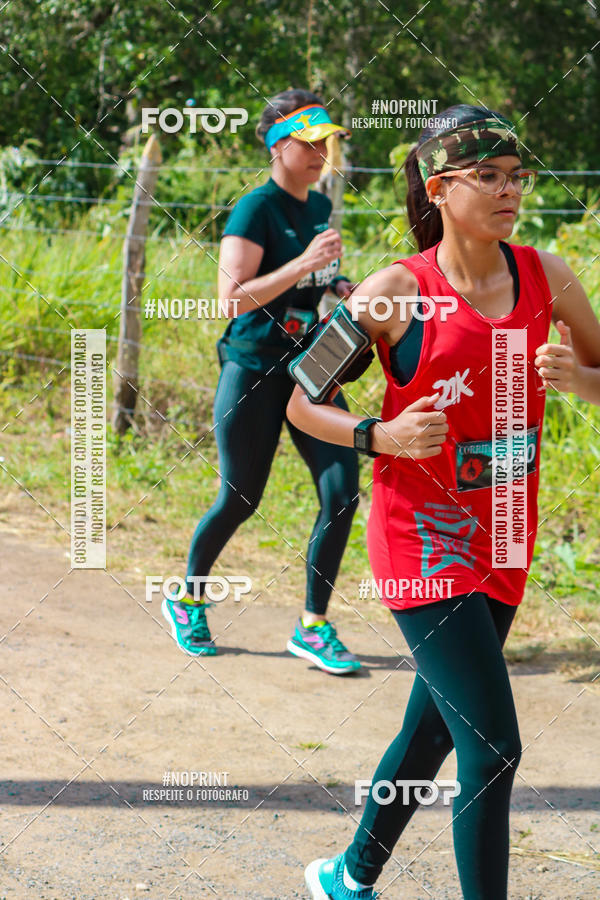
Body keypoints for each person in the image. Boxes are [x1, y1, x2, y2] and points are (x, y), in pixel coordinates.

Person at [287, 105, 600, 898]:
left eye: (516, 177)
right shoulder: (397, 292)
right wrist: (377, 437)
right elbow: (300, 398)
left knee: (433, 728)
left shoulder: (548, 275)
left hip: (504, 533)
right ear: (441, 188)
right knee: (492, 746)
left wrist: (585, 382)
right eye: (487, 177)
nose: (509, 192)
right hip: (420, 538)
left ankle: (348, 876)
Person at [162, 88, 364, 675]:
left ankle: (313, 625)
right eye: (308, 143)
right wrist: (304, 264)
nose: (320, 154)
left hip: (312, 367)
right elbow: (231, 298)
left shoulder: (318, 208)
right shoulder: (254, 207)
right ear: (278, 146)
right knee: (241, 497)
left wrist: (336, 285)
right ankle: (188, 598)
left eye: (325, 143)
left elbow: (309, 287)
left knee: (342, 491)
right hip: (252, 366)